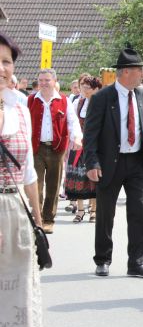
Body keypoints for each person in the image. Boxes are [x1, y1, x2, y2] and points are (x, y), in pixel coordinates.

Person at [0, 32, 49, 327]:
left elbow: (29, 171)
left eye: (6, 62)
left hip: (17, 215)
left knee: (21, 309)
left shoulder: (19, 108)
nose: (2, 68)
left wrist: (39, 224)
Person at [83, 47, 143, 278]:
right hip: (109, 163)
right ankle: (103, 259)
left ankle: (137, 262)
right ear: (125, 72)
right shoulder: (102, 98)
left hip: (137, 162)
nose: (142, 74)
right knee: (106, 214)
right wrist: (92, 163)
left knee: (139, 213)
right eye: (139, 70)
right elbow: (90, 134)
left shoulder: (141, 94)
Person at [27, 68, 83, 233]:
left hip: (57, 149)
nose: (43, 83)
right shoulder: (30, 100)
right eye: (41, 80)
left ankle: (48, 219)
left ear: (54, 82)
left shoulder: (64, 101)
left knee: (53, 186)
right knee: (36, 185)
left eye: (47, 80)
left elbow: (73, 122)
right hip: (36, 148)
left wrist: (77, 138)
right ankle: (37, 219)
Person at [64, 75, 102, 223]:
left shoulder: (101, 103)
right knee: (77, 178)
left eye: (88, 87)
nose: (84, 90)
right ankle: (80, 210)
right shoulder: (78, 103)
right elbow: (72, 123)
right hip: (79, 145)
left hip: (96, 146)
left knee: (94, 178)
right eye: (82, 87)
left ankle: (94, 210)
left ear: (96, 89)